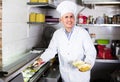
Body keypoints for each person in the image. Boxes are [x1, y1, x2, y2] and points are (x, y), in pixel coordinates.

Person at [35, 1, 96, 82]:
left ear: (74, 19)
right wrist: (41, 59)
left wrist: (88, 64)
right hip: (66, 76)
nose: (69, 20)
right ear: (61, 20)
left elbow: (91, 51)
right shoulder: (57, 34)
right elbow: (51, 50)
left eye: (71, 16)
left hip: (81, 76)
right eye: (66, 17)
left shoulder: (83, 33)